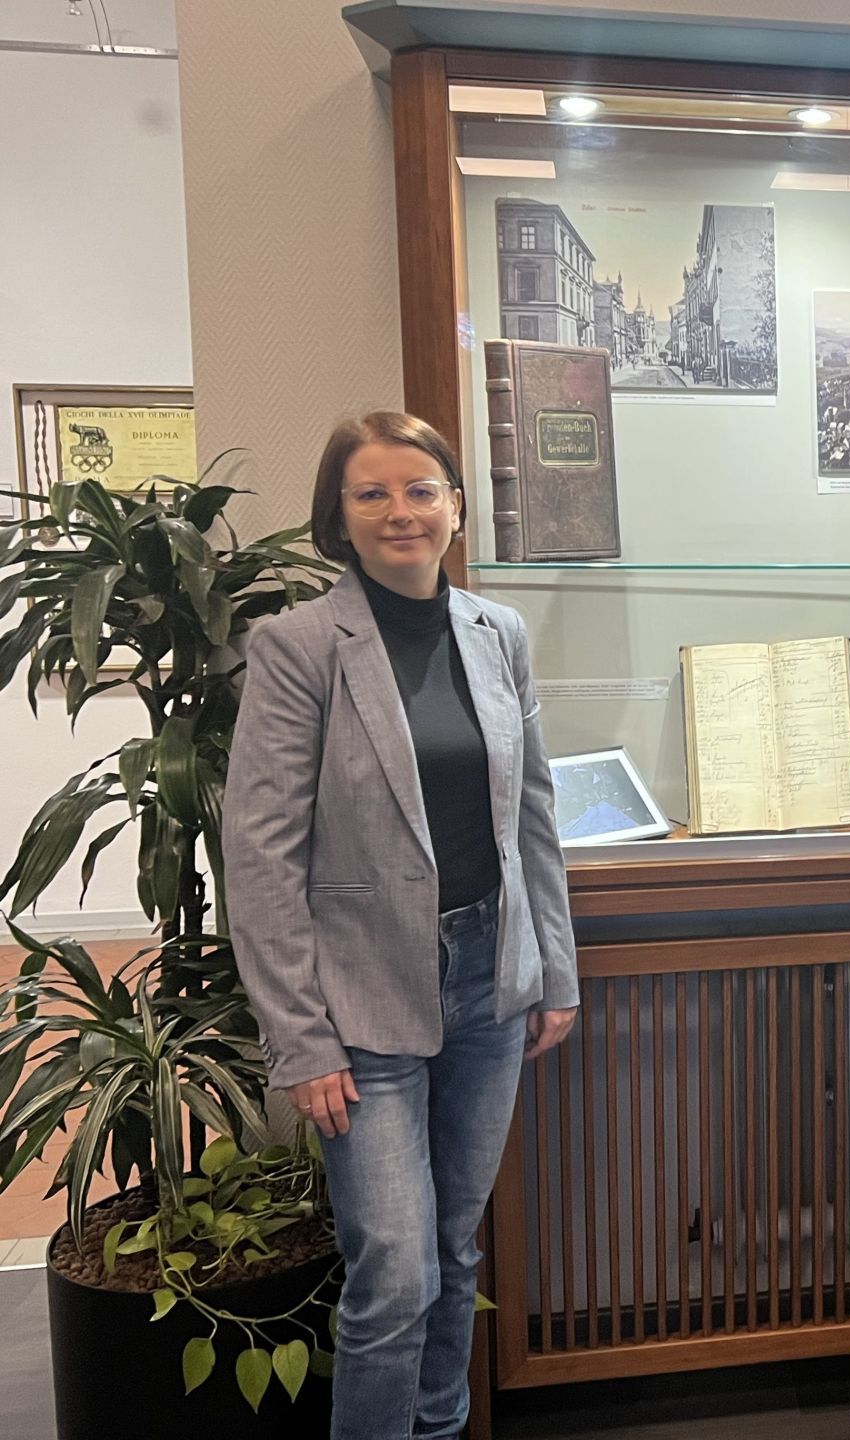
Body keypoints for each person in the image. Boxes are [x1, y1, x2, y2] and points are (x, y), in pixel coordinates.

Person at [226, 411, 580, 1440]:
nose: (400, 511)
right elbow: (261, 854)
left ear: (456, 507)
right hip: (361, 1001)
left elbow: (532, 812)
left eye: (421, 489)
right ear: (337, 517)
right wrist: (300, 1037)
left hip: (490, 981)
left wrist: (554, 969)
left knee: (455, 1251)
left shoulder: (497, 634)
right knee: (394, 1271)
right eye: (371, 493)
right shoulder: (299, 647)